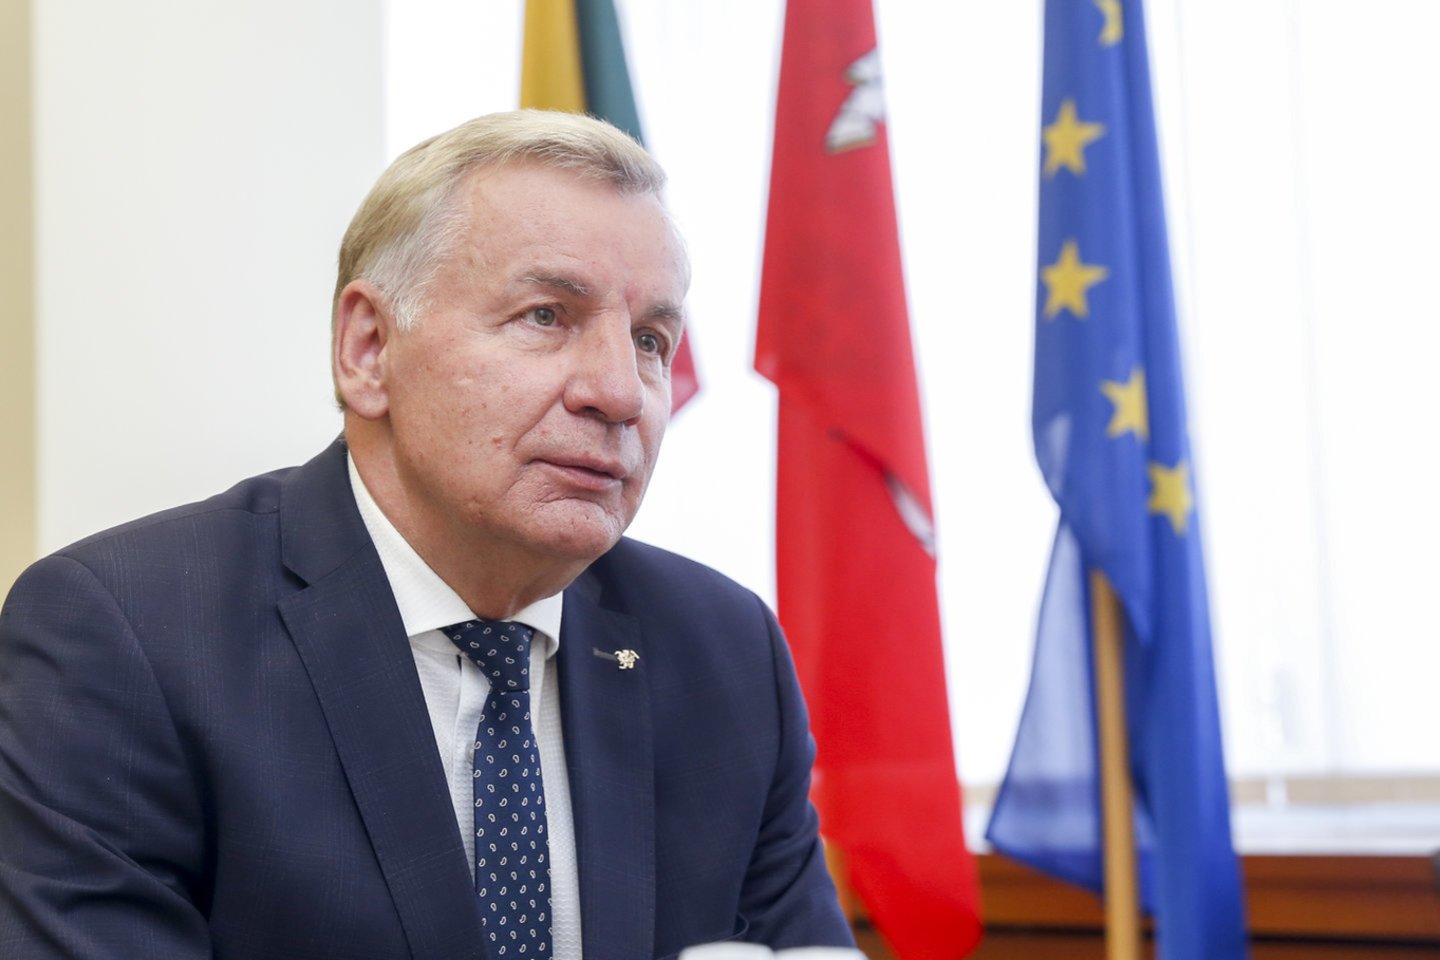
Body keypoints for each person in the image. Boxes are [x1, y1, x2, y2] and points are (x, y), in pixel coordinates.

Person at [0, 110, 852, 960]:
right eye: (546, 316)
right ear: (369, 349)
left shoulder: (723, 652)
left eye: (650, 340)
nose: (620, 393)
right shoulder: (128, 636)